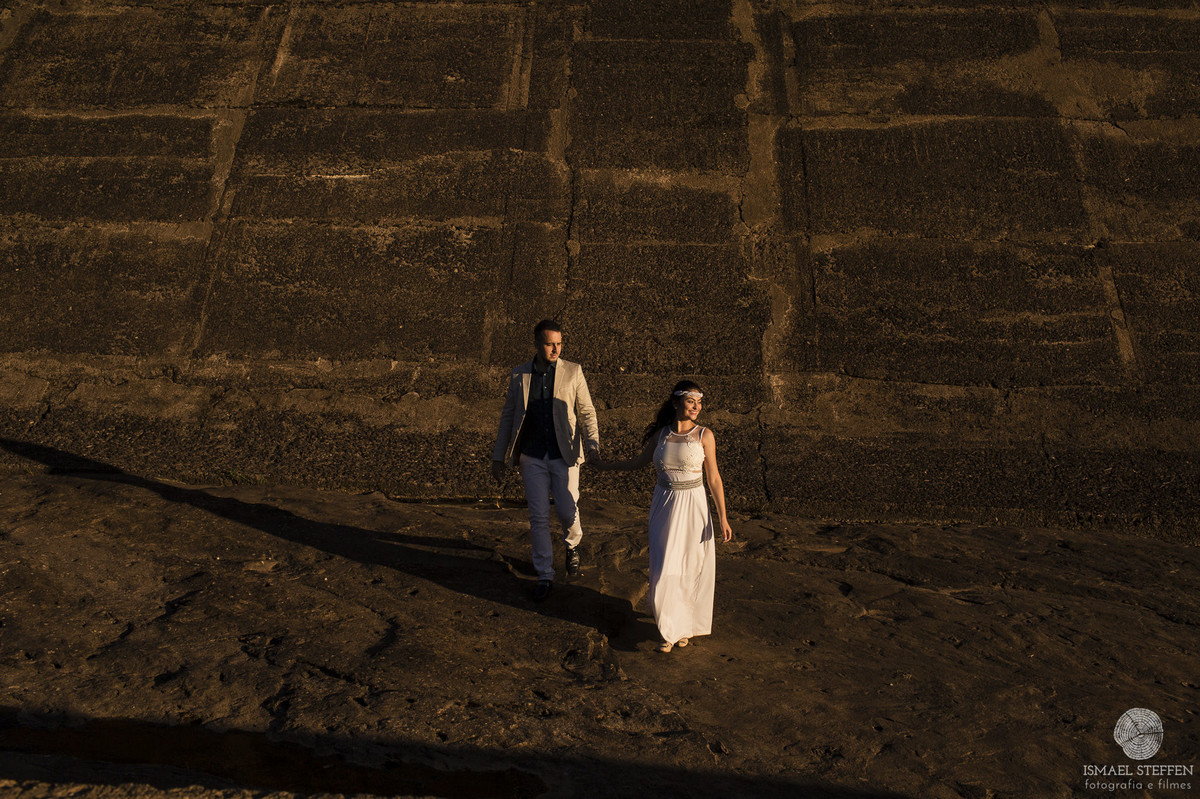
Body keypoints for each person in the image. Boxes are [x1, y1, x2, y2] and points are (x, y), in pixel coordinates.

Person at [591, 380, 732, 652]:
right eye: (691, 401)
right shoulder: (662, 435)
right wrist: (606, 466)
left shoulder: (704, 435)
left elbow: (713, 478)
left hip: (694, 505)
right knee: (665, 564)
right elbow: (637, 463)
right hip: (664, 504)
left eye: (699, 402)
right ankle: (670, 626)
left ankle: (678, 629)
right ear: (676, 402)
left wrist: (723, 517)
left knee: (689, 566)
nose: (696, 407)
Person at [492, 320, 600, 602]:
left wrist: (593, 444)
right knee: (538, 516)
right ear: (537, 344)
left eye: (559, 343)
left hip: (565, 455)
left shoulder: (573, 371)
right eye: (550, 343)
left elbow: (586, 411)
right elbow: (508, 417)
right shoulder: (520, 375)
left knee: (567, 510)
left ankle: (573, 544)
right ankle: (544, 574)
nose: (555, 349)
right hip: (531, 455)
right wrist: (498, 457)